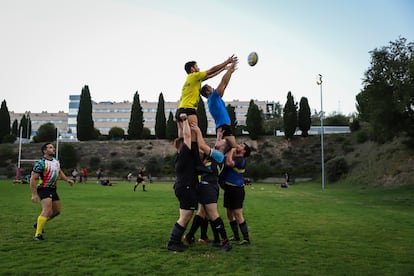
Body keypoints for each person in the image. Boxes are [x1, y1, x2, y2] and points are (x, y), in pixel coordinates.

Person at [185, 122, 233, 252]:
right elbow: (214, 144)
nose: (219, 141)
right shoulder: (215, 154)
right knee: (202, 212)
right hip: (207, 187)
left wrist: (198, 131)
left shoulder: (219, 156)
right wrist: (219, 134)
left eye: (222, 141)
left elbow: (201, 145)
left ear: (224, 147)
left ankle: (226, 242)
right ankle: (189, 236)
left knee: (213, 215)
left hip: (209, 187)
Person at [175, 55, 237, 139]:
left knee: (182, 140)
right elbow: (211, 70)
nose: (199, 68)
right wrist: (227, 62)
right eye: (197, 66)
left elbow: (210, 75)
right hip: (188, 109)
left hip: (180, 110)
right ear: (192, 69)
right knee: (192, 140)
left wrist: (224, 69)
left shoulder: (193, 80)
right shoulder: (194, 76)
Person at [166, 114, 199, 252]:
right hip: (186, 187)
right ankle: (173, 243)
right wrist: (185, 120)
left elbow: (182, 136)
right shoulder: (185, 153)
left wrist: (178, 123)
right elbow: (186, 136)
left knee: (185, 215)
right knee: (185, 216)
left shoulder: (181, 155)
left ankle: (176, 241)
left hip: (183, 187)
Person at [30, 142, 74, 241]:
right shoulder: (41, 163)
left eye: (53, 147)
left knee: (57, 211)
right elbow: (33, 179)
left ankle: (39, 223)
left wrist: (67, 180)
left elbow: (59, 171)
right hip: (44, 188)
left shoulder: (56, 161)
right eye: (50, 147)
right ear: (44, 151)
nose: (53, 149)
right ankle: (38, 235)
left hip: (53, 188)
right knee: (47, 210)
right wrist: (34, 195)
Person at [200, 59, 238, 148]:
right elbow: (222, 83)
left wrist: (230, 72)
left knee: (229, 151)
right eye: (210, 88)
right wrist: (229, 69)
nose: (213, 88)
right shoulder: (212, 98)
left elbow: (224, 85)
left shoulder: (216, 98)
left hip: (224, 127)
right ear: (208, 92)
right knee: (235, 149)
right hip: (223, 127)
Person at [221, 142, 252, 245]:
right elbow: (225, 159)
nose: (238, 145)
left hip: (236, 191)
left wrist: (232, 150)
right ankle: (236, 236)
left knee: (238, 214)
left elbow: (229, 163)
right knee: (229, 214)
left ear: (243, 151)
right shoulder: (235, 158)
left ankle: (246, 239)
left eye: (241, 146)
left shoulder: (240, 160)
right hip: (229, 189)